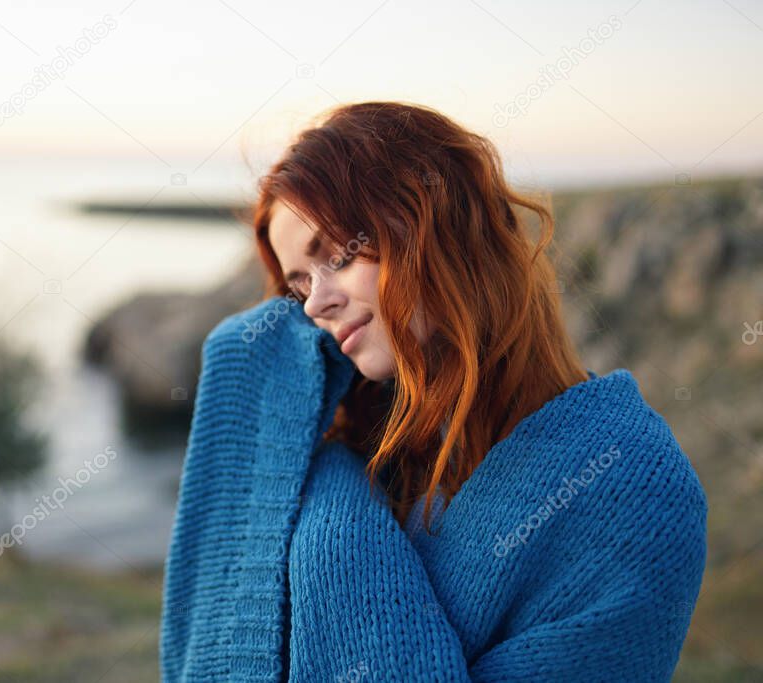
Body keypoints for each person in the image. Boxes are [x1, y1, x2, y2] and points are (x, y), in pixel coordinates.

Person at [159, 100, 707, 681]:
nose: (315, 305)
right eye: (297, 288)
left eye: (339, 256)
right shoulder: (373, 447)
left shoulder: (633, 485)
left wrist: (337, 540)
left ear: (441, 226)